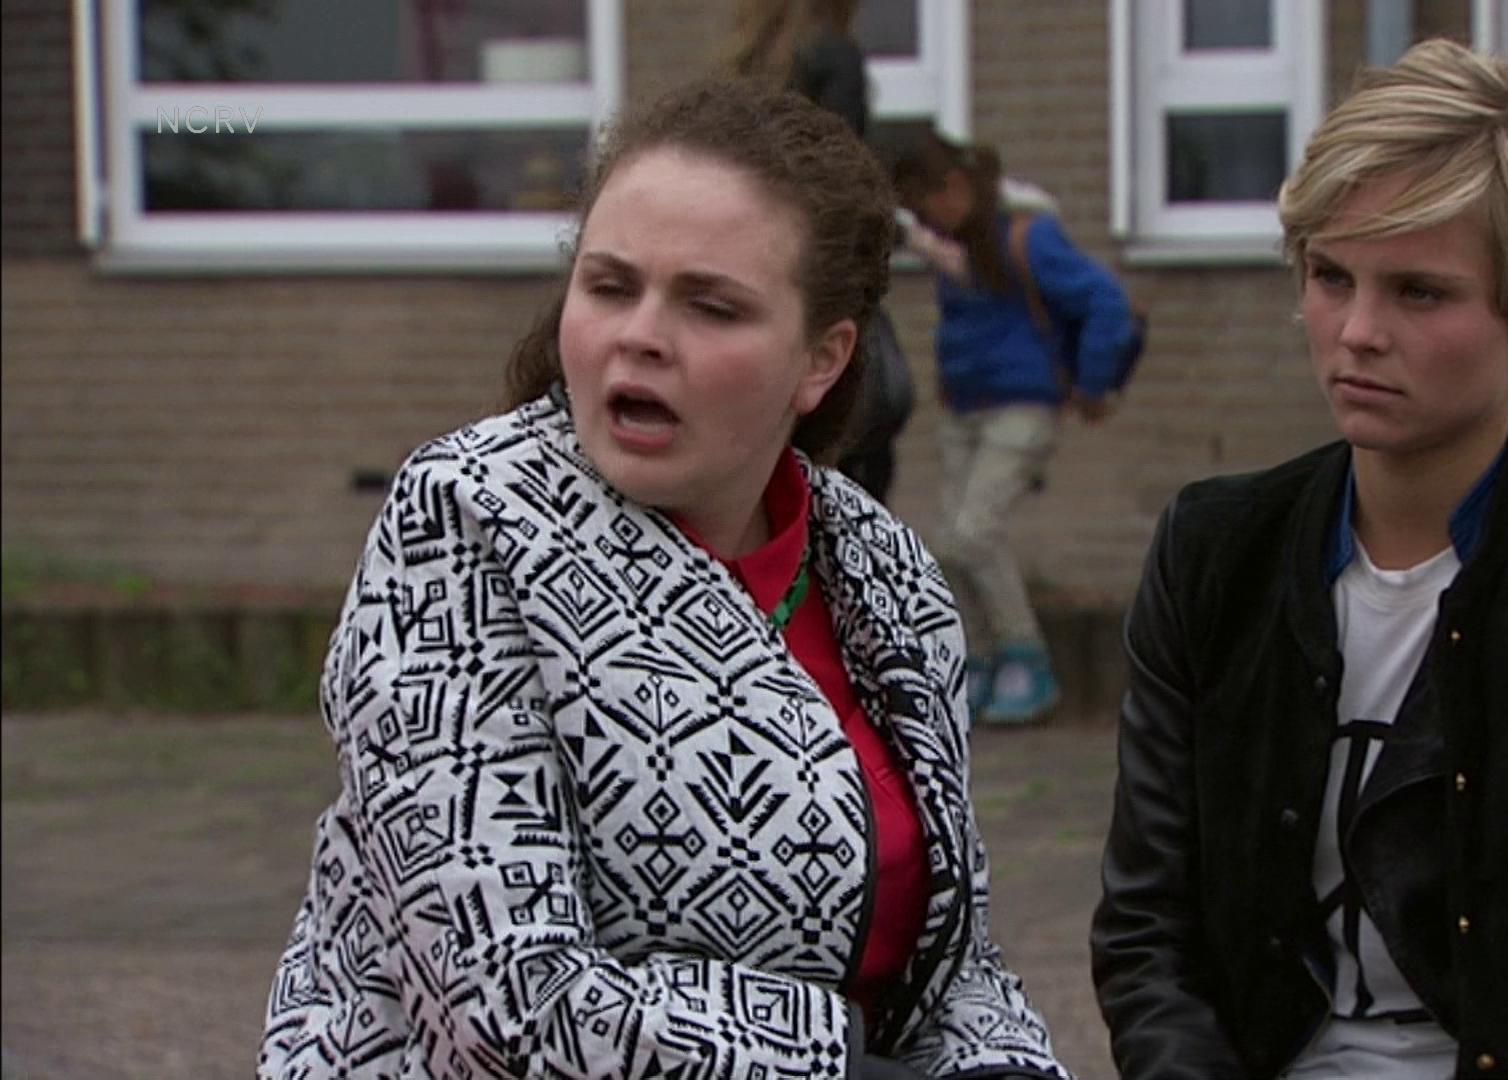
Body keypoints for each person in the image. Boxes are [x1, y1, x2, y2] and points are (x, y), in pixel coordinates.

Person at [258, 78, 1068, 1080]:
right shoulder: (468, 517)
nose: (640, 334)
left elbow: (953, 958)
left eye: (710, 305)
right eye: (609, 286)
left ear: (820, 361)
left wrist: (1003, 1064)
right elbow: (509, 1004)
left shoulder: (886, 570)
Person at [1090, 39, 1508, 1080]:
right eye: (1331, 277)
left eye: (1420, 292)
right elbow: (1146, 930)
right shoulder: (1215, 550)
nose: (1357, 331)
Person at [893, 133, 1134, 726]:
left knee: (974, 533)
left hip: (1022, 406)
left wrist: (1093, 384)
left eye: (929, 206)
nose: (929, 222)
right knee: (947, 545)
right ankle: (977, 660)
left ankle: (1028, 661)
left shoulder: (1028, 235)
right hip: (964, 408)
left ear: (955, 187)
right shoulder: (957, 243)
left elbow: (1106, 302)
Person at [723, 0, 915, 506]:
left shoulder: (746, 64)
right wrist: (895, 234)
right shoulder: (833, 55)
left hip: (749, 268)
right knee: (851, 460)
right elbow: (840, 176)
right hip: (815, 273)